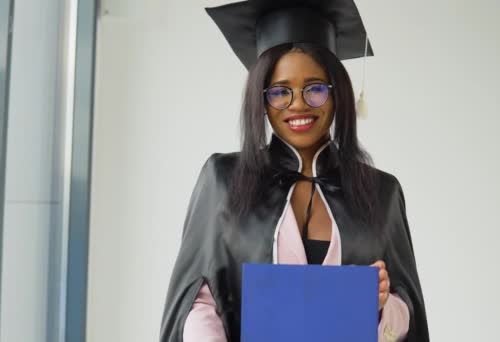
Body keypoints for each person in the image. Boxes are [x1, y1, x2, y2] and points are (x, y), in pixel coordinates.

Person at [160, 1, 429, 341]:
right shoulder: (224, 179)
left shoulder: (380, 191)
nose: (298, 104)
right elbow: (199, 301)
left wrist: (378, 306)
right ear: (261, 100)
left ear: (338, 94)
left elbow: (407, 315)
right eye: (280, 92)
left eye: (315, 88)